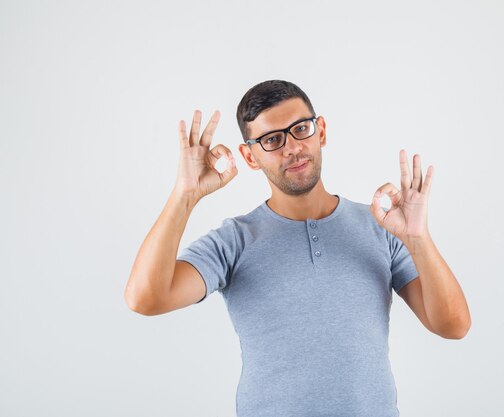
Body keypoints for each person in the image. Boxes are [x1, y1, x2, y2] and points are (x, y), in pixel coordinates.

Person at [124, 80, 471, 417]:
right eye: (272, 140)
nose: (291, 147)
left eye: (300, 129)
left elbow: (453, 326)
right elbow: (145, 298)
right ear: (250, 156)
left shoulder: (381, 227)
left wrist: (418, 239)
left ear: (321, 131)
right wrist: (185, 195)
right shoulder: (234, 240)